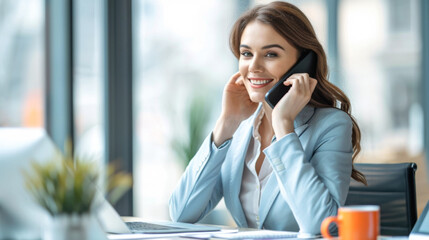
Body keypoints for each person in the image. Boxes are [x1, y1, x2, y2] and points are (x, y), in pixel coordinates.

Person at [169, 1, 366, 235]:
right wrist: (226, 124)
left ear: (304, 63)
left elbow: (321, 226)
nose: (253, 66)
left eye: (270, 54)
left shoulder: (330, 126)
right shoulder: (240, 130)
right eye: (246, 53)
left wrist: (284, 126)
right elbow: (181, 213)